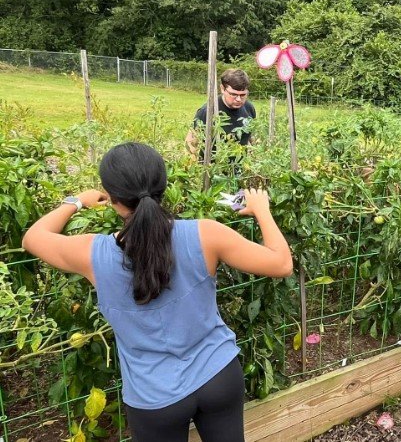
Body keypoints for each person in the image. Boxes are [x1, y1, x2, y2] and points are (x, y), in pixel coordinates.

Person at [22, 143, 293, 442]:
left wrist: (75, 202)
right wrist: (262, 211)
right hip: (218, 375)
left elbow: (33, 238)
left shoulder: (91, 254)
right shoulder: (206, 234)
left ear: (112, 198)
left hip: (154, 395)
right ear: (163, 185)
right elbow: (281, 263)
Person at [185, 68, 257, 157]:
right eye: (233, 94)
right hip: (214, 168)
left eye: (243, 95)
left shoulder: (249, 108)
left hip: (239, 168)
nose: (238, 99)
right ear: (222, 89)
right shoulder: (207, 112)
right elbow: (191, 144)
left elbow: (250, 138)